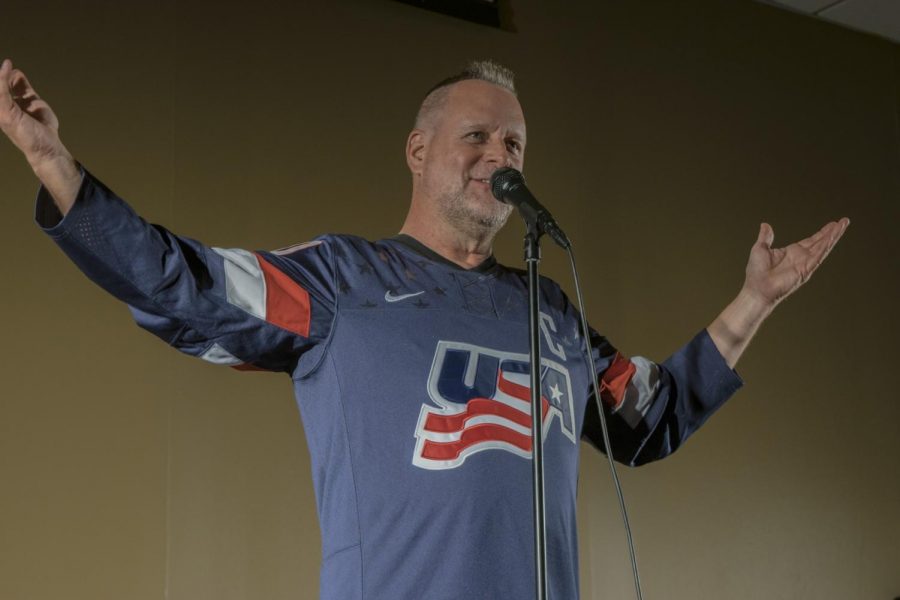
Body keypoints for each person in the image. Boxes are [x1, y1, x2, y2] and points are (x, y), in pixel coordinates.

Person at [0, 57, 848, 599]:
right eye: (475, 135)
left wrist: (756, 301)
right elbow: (177, 284)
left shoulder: (548, 313)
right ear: (417, 150)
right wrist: (55, 166)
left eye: (514, 144)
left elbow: (647, 420)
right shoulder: (341, 281)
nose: (499, 157)